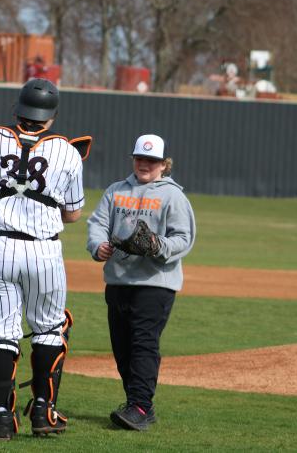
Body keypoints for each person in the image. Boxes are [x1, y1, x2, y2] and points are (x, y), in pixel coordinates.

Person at [0, 78, 85, 441]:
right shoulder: (68, 152)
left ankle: (2, 419)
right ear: (51, 117)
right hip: (44, 251)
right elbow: (72, 214)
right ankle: (44, 410)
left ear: (17, 109)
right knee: (50, 328)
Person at [87, 134, 196, 431]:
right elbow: (97, 224)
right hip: (119, 281)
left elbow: (184, 238)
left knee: (143, 343)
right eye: (140, 158)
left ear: (163, 164)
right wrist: (98, 246)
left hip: (156, 282)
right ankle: (136, 404)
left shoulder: (173, 196)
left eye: (151, 160)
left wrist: (157, 246)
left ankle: (140, 406)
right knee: (122, 347)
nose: (144, 164)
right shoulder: (115, 191)